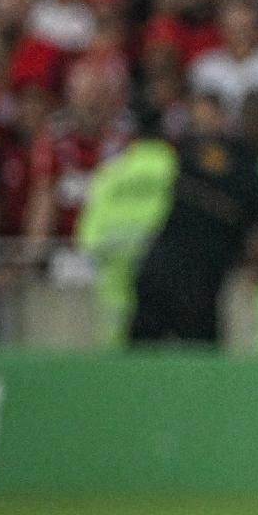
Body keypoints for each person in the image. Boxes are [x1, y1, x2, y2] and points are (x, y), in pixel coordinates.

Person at [126, 92, 258, 345]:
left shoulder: (216, 157)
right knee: (175, 360)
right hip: (179, 273)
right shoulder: (204, 156)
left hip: (186, 274)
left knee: (160, 360)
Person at [74, 105, 176, 346]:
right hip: (166, 268)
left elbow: (86, 237)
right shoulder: (178, 172)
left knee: (116, 330)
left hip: (115, 270)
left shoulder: (111, 173)